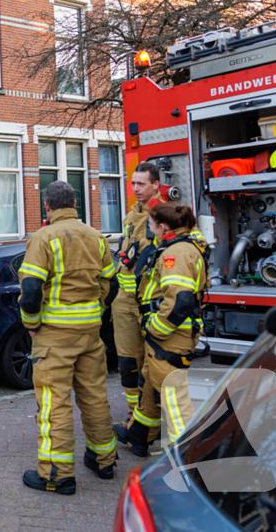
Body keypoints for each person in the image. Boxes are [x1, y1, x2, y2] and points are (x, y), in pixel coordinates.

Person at [18, 181, 119, 495]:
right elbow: (111, 286)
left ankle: (56, 475)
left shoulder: (44, 237)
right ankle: (104, 461)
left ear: (47, 207)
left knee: (53, 403)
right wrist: (95, 312)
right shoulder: (96, 237)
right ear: (74, 203)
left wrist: (31, 324)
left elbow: (31, 290)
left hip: (54, 335)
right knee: (94, 396)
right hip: (90, 333)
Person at [114, 202, 208, 457]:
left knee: (173, 399)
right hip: (169, 337)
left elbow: (180, 300)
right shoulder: (181, 246)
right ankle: (139, 436)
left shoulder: (174, 254)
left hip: (169, 338)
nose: (149, 228)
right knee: (148, 390)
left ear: (163, 227)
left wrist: (156, 329)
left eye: (152, 225)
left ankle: (189, 455)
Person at [113, 162, 163, 418]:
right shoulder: (131, 217)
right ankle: (134, 416)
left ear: (156, 185)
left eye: (141, 184)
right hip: (124, 302)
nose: (136, 189)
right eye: (133, 184)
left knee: (153, 365)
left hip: (150, 301)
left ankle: (152, 420)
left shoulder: (167, 215)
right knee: (127, 364)